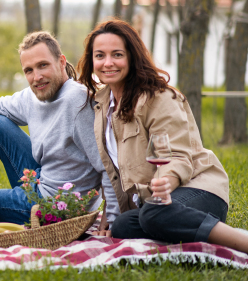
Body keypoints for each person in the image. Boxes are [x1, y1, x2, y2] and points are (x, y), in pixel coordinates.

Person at [77, 18, 248, 253]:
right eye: (100, 55)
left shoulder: (158, 97)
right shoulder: (101, 104)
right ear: (91, 60)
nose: (108, 63)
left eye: (117, 54)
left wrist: (165, 182)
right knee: (123, 226)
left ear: (132, 57)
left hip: (198, 189)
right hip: (155, 205)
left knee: (154, 213)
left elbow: (176, 155)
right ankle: (190, 232)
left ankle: (242, 242)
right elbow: (113, 169)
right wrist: (109, 213)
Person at [0, 31, 117, 225]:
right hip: (40, 179)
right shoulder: (35, 95)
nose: (36, 76)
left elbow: (108, 164)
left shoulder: (78, 102)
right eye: (29, 70)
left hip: (55, 207)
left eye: (43, 65)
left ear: (61, 62)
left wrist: (111, 214)